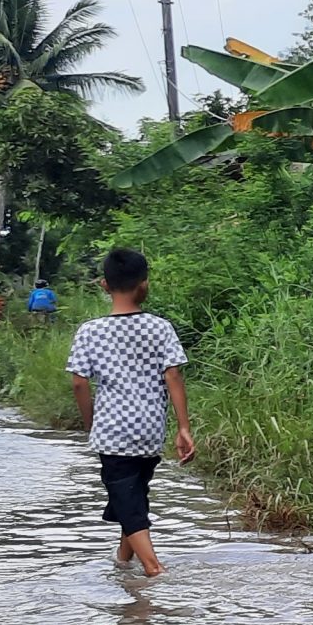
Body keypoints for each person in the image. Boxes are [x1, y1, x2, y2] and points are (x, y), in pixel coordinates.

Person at [67, 247, 196, 577]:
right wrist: (183, 427)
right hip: (150, 428)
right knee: (133, 494)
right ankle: (122, 561)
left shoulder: (90, 331)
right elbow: (173, 375)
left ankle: (154, 570)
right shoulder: (160, 327)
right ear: (144, 285)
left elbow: (79, 383)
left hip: (112, 431)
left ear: (103, 285)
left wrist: (89, 423)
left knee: (128, 498)